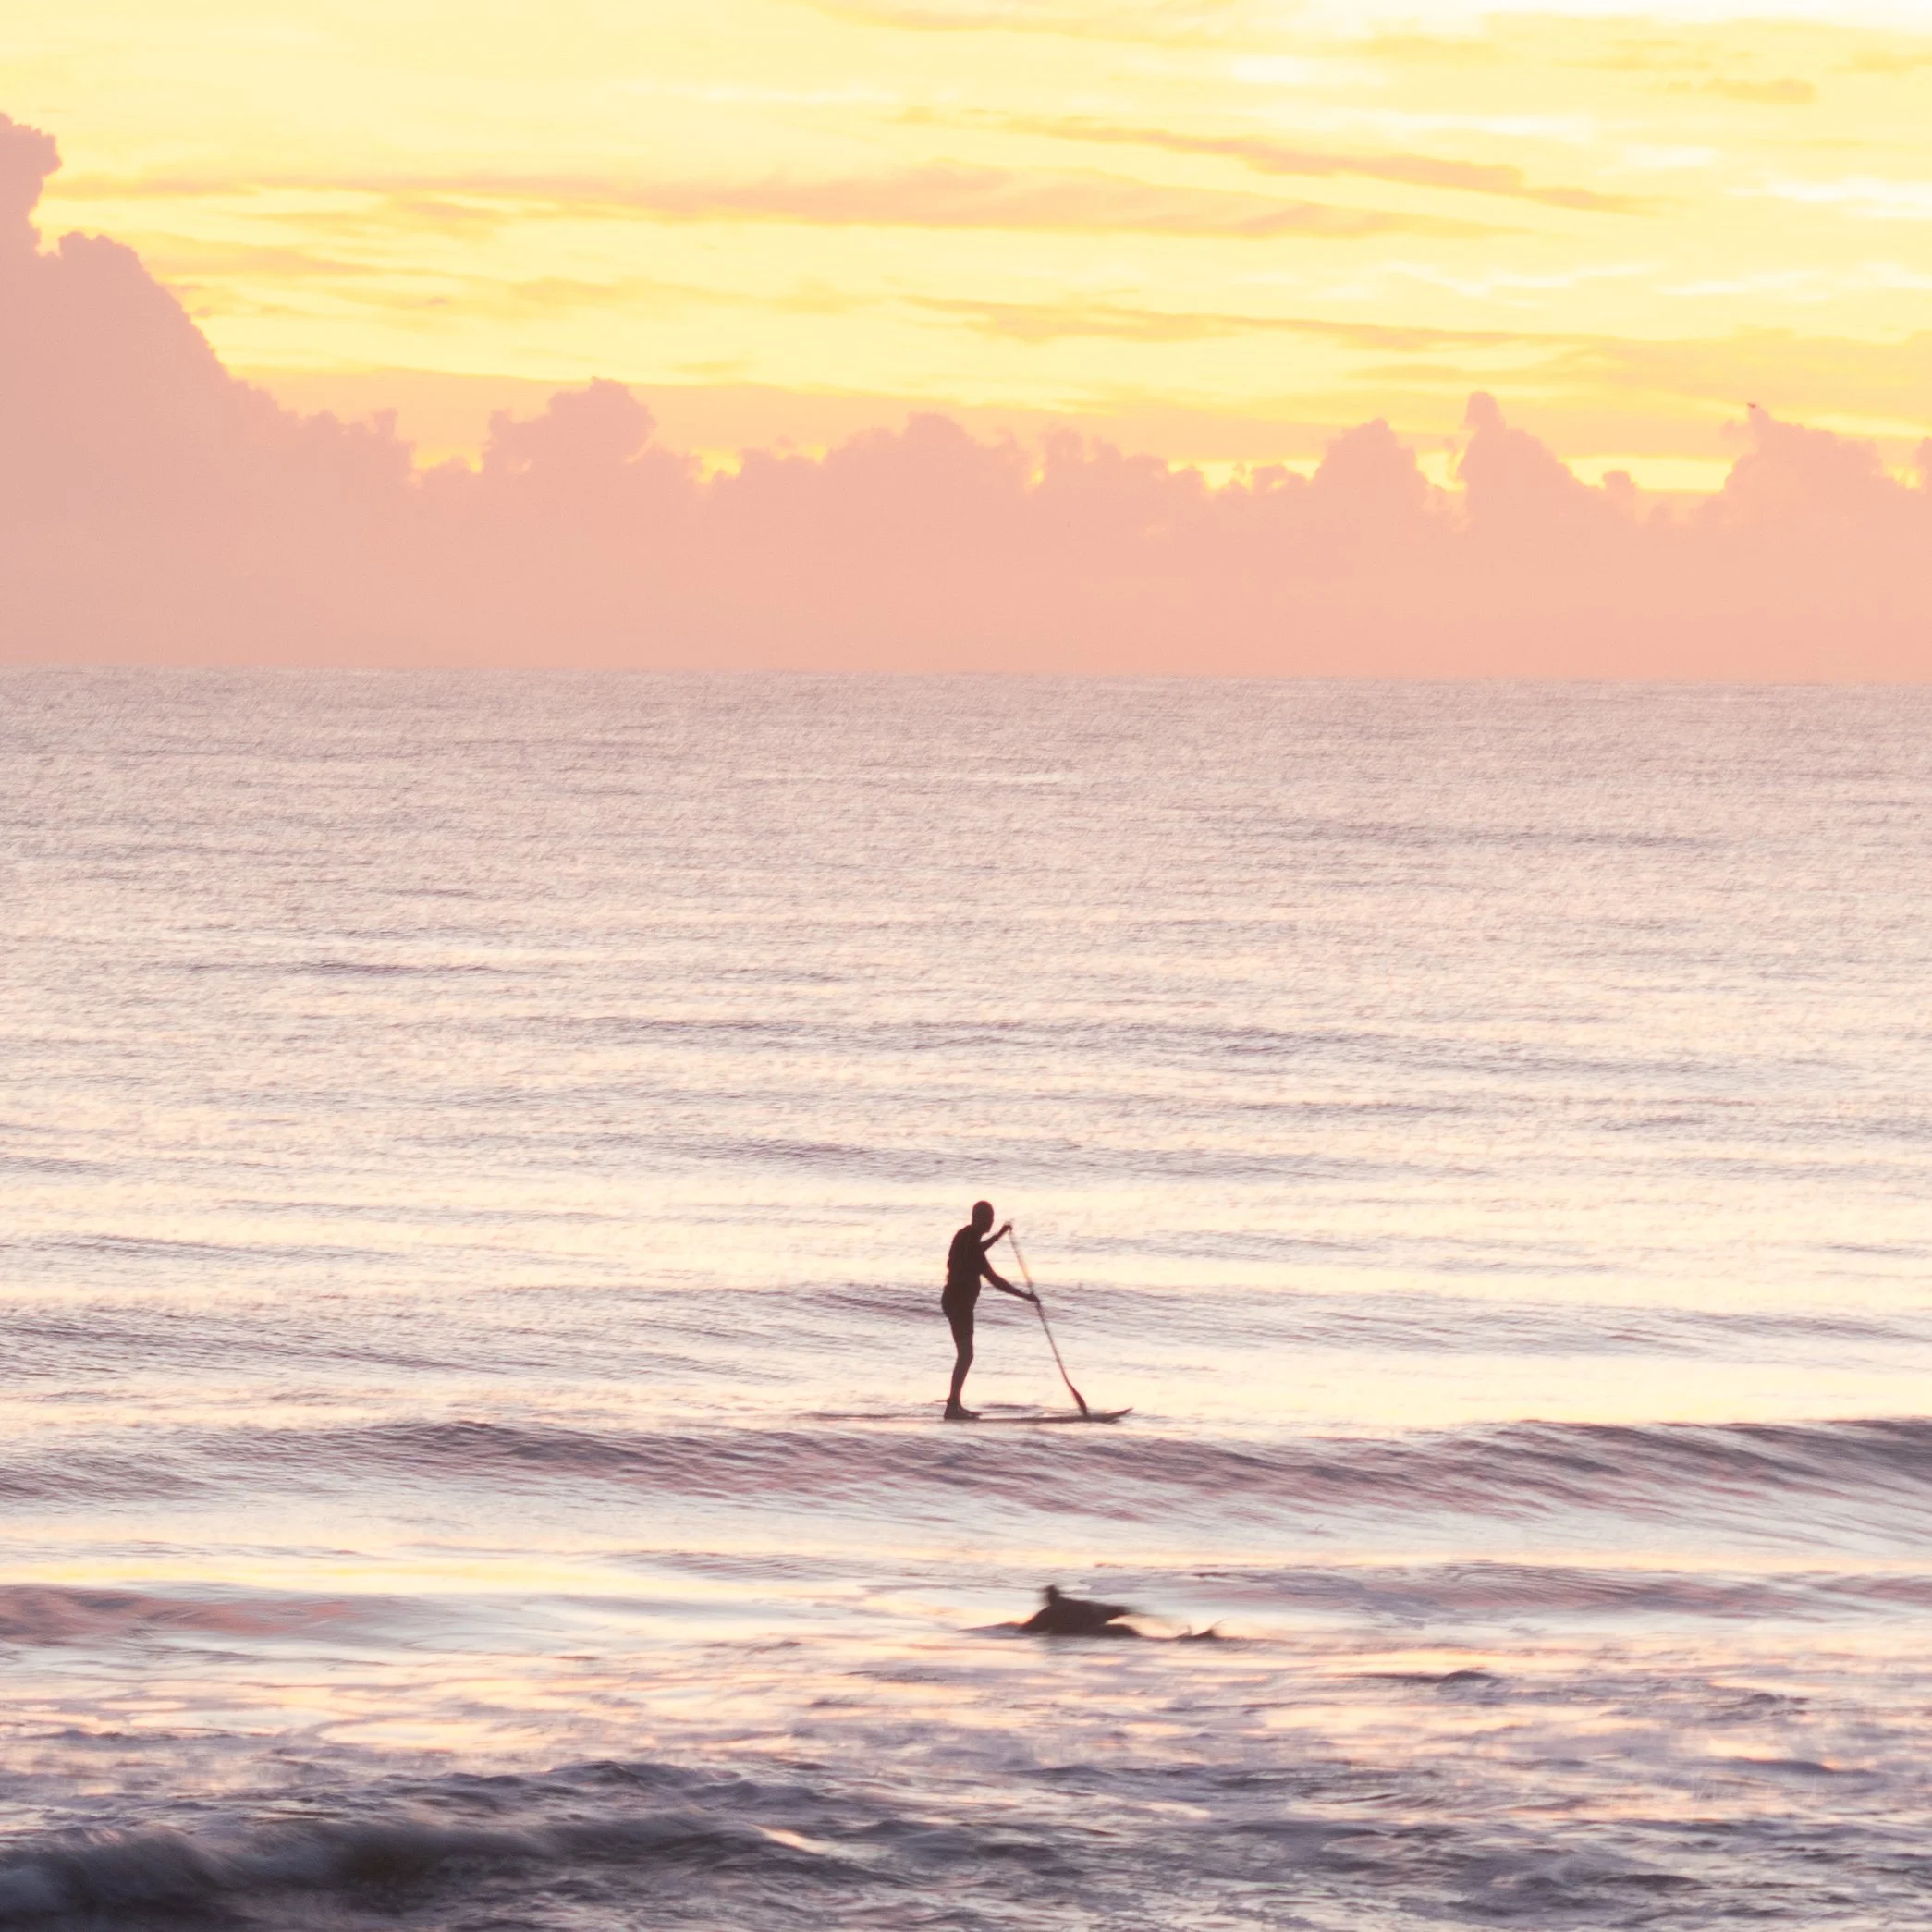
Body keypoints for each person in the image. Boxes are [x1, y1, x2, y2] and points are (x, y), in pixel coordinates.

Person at [941, 1200, 1035, 1421]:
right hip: (959, 1303)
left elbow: (979, 1249)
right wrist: (1024, 1296)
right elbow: (994, 1279)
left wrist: (1000, 1235)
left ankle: (954, 1404)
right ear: (980, 1219)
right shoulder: (971, 1244)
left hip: (957, 1301)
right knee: (966, 1354)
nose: (992, 1222)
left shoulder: (965, 1236)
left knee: (965, 1354)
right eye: (990, 1219)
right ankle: (952, 1406)